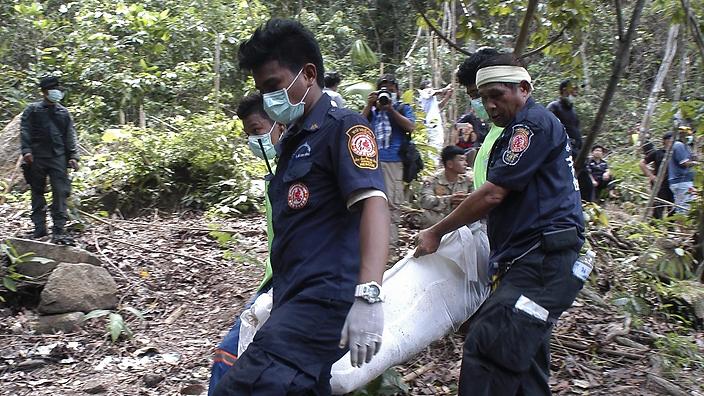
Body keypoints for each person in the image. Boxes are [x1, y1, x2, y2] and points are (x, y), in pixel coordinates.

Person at [215, 19, 389, 395]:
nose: (268, 99)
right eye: (262, 91)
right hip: (293, 295)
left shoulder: (344, 128)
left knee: (241, 388)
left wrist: (369, 294)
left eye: (273, 86)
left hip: (323, 300)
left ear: (308, 74)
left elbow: (374, 202)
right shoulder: (293, 142)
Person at [415, 54, 585, 395]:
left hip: (541, 261)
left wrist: (436, 231)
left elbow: (492, 195)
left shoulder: (530, 126)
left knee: (489, 347)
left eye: (497, 96)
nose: (490, 106)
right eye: (483, 99)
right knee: (523, 363)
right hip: (536, 260)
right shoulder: (517, 130)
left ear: (523, 88)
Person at [208, 93, 285, 394]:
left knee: (228, 360)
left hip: (293, 284)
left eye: (256, 130)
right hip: (275, 280)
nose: (254, 140)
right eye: (248, 135)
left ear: (280, 122)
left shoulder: (301, 172)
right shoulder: (275, 174)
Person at [361, 74, 415, 259]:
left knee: (392, 205)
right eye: (383, 89)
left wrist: (390, 109)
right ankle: (372, 248)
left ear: (397, 92)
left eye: (391, 89)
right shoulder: (373, 112)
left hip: (394, 163)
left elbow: (410, 127)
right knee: (370, 203)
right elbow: (357, 126)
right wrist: (369, 105)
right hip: (371, 163)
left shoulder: (402, 108)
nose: (387, 93)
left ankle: (390, 250)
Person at [20, 76, 79, 244]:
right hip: (36, 158)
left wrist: (73, 156)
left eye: (58, 89)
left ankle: (59, 230)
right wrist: (26, 151)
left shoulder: (63, 112)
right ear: (45, 92)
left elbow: (70, 135)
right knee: (37, 192)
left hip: (58, 158)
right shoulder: (32, 110)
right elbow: (25, 130)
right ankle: (39, 229)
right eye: (54, 89)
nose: (57, 92)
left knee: (60, 193)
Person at [456, 47, 503, 191]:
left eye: (478, 94)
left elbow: (493, 195)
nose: (480, 102)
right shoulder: (496, 130)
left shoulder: (521, 130)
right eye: (472, 96)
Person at [547, 79, 594, 202]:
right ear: (564, 90)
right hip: (563, 153)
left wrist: (584, 152)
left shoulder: (572, 111)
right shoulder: (554, 107)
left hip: (577, 153)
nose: (576, 92)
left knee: (586, 186)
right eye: (574, 89)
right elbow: (549, 131)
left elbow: (576, 133)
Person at [419, 145, 472, 228]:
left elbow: (477, 198)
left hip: (461, 224)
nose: (466, 163)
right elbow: (424, 201)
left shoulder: (468, 181)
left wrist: (465, 200)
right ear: (450, 164)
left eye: (465, 160)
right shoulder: (432, 181)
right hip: (437, 224)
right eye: (461, 160)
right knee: (428, 214)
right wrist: (449, 200)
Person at [639, 134, 674, 219]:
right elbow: (642, 163)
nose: (672, 141)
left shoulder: (675, 153)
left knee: (673, 206)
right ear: (665, 140)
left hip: (673, 183)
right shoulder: (657, 153)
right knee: (659, 205)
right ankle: (655, 225)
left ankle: (670, 227)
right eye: (670, 139)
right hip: (659, 183)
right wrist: (651, 176)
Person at [668, 130, 698, 214]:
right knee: (684, 209)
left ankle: (683, 226)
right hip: (681, 181)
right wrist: (695, 163)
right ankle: (683, 227)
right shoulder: (679, 145)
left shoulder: (685, 146)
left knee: (683, 207)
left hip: (683, 181)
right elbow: (684, 163)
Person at [418, 79, 452, 151]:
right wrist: (445, 89)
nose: (431, 88)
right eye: (429, 86)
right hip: (431, 125)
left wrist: (447, 96)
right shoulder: (423, 93)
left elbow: (439, 106)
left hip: (435, 125)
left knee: (438, 146)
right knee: (434, 147)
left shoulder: (430, 99)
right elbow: (435, 92)